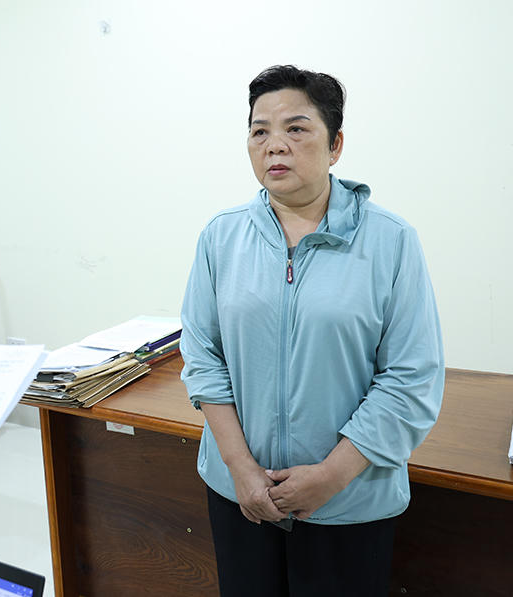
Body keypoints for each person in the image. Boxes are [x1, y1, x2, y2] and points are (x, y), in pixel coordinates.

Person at [179, 65, 445, 596]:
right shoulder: (221, 237)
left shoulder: (391, 241)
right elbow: (204, 356)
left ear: (335, 144)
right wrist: (241, 468)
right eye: (259, 131)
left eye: (296, 128)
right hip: (241, 494)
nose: (275, 145)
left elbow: (410, 377)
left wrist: (331, 476)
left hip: (348, 501)